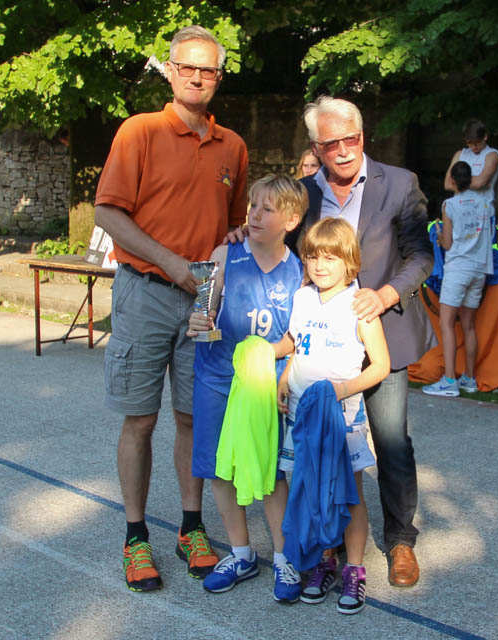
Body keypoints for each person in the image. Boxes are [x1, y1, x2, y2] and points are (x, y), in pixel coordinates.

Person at [94, 24, 248, 592]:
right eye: (187, 67)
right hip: (146, 290)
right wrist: (173, 263)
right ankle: (136, 536)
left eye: (208, 69)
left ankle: (191, 527)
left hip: (203, 298)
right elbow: (107, 213)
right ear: (170, 70)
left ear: (219, 77)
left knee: (193, 417)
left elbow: (234, 225)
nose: (197, 78)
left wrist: (224, 264)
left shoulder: (232, 146)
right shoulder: (140, 131)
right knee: (140, 418)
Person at [290, 96, 435, 588]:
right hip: (324, 343)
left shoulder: (399, 183)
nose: (343, 150)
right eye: (331, 143)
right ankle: (330, 540)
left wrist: (386, 294)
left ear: (363, 136)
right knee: (324, 443)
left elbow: (421, 255)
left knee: (391, 440)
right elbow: (280, 242)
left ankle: (400, 540)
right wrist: (241, 236)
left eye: (350, 139)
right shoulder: (302, 194)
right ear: (317, 148)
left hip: (381, 333)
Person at [188, 175, 304, 602]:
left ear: (291, 220)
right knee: (220, 469)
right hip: (217, 378)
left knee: (270, 472)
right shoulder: (225, 255)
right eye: (253, 206)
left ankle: (285, 558)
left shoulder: (299, 272)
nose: (254, 215)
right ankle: (241, 553)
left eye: (267, 209)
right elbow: (203, 308)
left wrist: (265, 353)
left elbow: (297, 337)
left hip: (264, 385)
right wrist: (198, 320)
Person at [276, 217, 390, 613]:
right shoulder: (303, 298)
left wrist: (341, 390)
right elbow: (297, 344)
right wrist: (284, 376)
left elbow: (380, 365)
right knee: (312, 490)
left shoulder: (360, 306)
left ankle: (354, 569)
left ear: (349, 262)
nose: (320, 265)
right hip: (302, 418)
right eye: (312, 257)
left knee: (347, 493)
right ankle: (325, 561)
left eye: (330, 258)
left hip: (341, 420)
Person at [422, 162, 493, 397]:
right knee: (469, 325)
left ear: (452, 180)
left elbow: (448, 243)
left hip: (458, 268)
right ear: (470, 179)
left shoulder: (449, 205)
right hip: (480, 268)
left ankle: (450, 380)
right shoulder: (484, 202)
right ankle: (469, 378)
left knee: (446, 323)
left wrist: (439, 233)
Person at [444, 119, 498, 214]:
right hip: (459, 210)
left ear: (485, 136)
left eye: (477, 143)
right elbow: (447, 184)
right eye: (469, 143)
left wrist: (457, 180)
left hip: (482, 211)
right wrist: (476, 182)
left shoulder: (492, 155)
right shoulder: (460, 154)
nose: (473, 147)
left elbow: (479, 183)